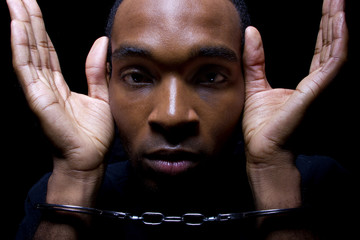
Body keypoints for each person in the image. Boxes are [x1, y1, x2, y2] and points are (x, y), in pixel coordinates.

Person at [7, 0, 353, 239]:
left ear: (248, 83)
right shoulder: (53, 193)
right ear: (106, 80)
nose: (172, 116)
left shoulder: (320, 185)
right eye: (138, 77)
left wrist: (273, 175)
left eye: (211, 77)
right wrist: (75, 178)